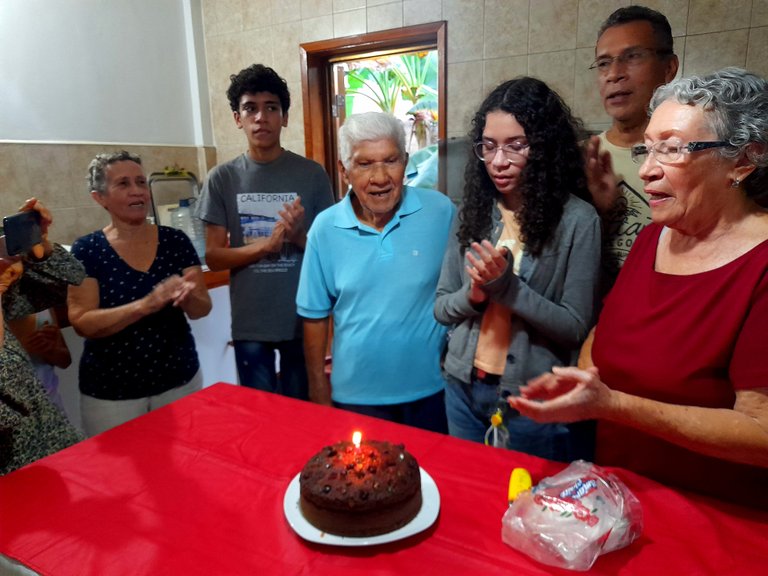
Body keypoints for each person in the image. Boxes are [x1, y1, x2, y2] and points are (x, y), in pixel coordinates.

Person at [510, 68, 768, 507]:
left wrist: (612, 405)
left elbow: (760, 432)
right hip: (621, 495)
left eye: (672, 149)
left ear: (742, 161)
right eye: (647, 149)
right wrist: (583, 383)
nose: (646, 170)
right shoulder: (653, 238)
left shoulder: (759, 267)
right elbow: (606, 329)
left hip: (711, 512)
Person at [434, 77, 601, 461]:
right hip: (462, 388)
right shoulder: (472, 212)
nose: (498, 161)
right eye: (489, 146)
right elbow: (441, 306)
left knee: (527, 494)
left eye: (515, 145)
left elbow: (575, 327)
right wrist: (474, 296)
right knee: (467, 487)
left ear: (544, 147)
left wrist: (508, 289)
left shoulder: (578, 220)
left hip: (532, 399)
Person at [296, 112, 455, 433]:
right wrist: (317, 390)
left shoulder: (441, 212)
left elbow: (463, 290)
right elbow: (314, 316)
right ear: (344, 170)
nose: (380, 177)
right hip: (355, 398)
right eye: (365, 164)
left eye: (390, 161)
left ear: (406, 162)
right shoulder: (325, 229)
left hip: (433, 392)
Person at [197, 64, 334, 400]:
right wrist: (265, 246)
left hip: (303, 317)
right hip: (251, 324)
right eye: (250, 108)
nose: (261, 118)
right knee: (258, 414)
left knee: (300, 412)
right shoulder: (222, 178)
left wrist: (298, 236)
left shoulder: (312, 175)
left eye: (271, 108)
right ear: (237, 118)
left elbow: (331, 256)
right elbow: (214, 257)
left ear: (284, 117)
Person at [68, 151, 212, 437]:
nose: (137, 191)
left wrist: (189, 296)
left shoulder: (175, 240)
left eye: (141, 182)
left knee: (189, 457)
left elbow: (202, 308)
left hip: (179, 380)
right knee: (120, 465)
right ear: (100, 197)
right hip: (112, 394)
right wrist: (146, 305)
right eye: (123, 184)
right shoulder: (87, 250)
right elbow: (82, 321)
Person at [586, 5, 679, 292]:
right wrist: (597, 211)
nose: (614, 74)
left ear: (669, 68)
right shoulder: (581, 158)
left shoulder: (689, 159)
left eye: (633, 56)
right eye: (604, 63)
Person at [0, 198, 85, 474]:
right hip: (18, 478)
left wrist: (41, 246)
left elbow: (71, 280)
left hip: (55, 452)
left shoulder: (9, 295)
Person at [8, 307, 72, 411]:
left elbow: (65, 361)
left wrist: (52, 350)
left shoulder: (42, 307)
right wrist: (20, 350)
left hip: (52, 404)